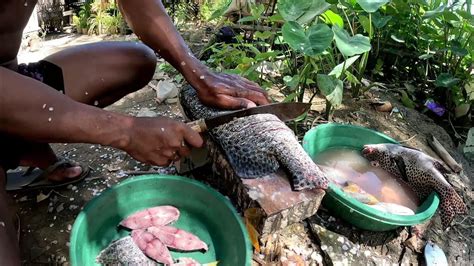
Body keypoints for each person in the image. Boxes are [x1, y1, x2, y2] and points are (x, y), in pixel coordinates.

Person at [0, 0, 269, 263]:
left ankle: (25, 142)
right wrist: (125, 131)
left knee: (138, 60)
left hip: (14, 79)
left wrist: (198, 73)